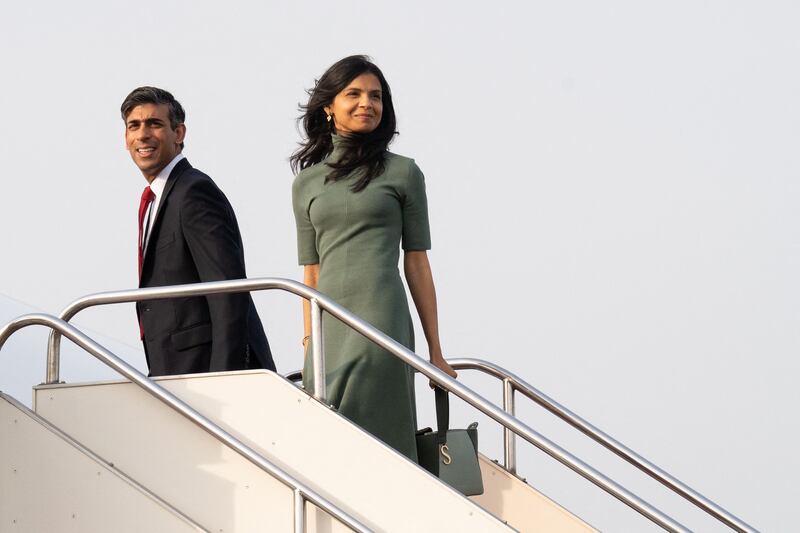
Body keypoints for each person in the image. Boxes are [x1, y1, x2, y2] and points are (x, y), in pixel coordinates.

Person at [291, 56, 457, 460]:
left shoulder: (403, 173)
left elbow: (416, 262)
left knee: (378, 436)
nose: (367, 103)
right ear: (329, 106)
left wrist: (435, 351)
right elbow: (310, 270)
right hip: (328, 326)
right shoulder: (305, 182)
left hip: (382, 316)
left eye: (376, 96)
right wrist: (310, 341)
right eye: (354, 94)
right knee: (329, 440)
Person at [121, 86, 275, 376]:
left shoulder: (193, 191)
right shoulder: (158, 198)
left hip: (210, 373)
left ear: (178, 134)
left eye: (155, 124)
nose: (142, 134)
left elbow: (228, 292)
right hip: (175, 372)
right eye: (134, 126)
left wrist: (223, 377)